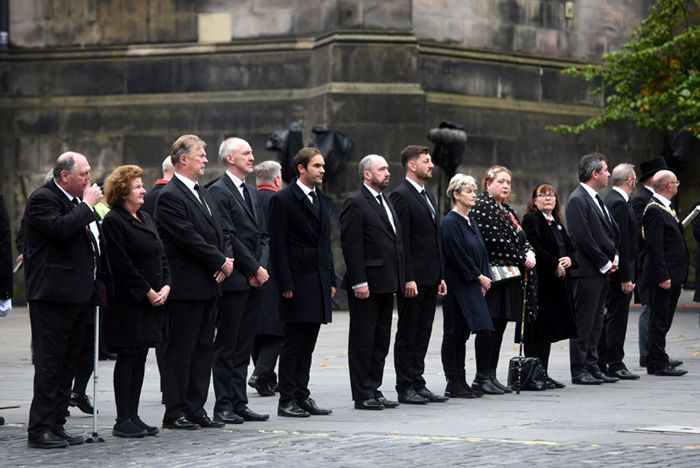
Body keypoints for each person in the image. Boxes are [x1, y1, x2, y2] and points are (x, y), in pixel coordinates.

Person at [24, 151, 104, 448]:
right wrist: (87, 205)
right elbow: (60, 229)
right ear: (64, 176)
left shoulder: (74, 202)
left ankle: (57, 423)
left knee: (68, 363)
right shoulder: (43, 199)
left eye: (88, 172)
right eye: (83, 173)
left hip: (77, 294)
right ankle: (40, 428)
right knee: (50, 363)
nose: (89, 177)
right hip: (52, 296)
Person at [154, 134, 233, 430]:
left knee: (203, 351)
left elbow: (222, 231)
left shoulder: (204, 192)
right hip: (186, 287)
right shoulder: (170, 196)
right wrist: (220, 261)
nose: (205, 159)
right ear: (183, 159)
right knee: (180, 351)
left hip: (210, 284)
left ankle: (196, 407)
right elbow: (189, 238)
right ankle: (175, 410)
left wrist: (228, 259)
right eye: (200, 154)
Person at [101, 165, 171, 437]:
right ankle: (122, 419)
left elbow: (161, 255)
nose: (143, 190)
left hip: (151, 300)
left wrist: (166, 285)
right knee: (128, 357)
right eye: (138, 186)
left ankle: (134, 415)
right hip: (129, 304)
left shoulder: (145, 217)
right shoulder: (115, 221)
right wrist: (147, 291)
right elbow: (121, 264)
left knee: (140, 356)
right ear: (123, 192)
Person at [269, 147, 336, 418]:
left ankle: (301, 394)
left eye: (323, 166)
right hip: (296, 281)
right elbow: (278, 246)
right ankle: (287, 399)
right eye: (317, 166)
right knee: (293, 344)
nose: (322, 170)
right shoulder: (283, 200)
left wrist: (331, 278)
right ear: (301, 168)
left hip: (317, 280)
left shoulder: (322, 199)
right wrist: (285, 283)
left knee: (308, 344)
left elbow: (325, 245)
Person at [209, 137, 270, 424]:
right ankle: (223, 404)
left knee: (244, 345)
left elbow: (262, 235)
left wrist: (261, 268)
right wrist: (253, 268)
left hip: (254, 279)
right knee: (227, 345)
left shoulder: (251, 190)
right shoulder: (219, 192)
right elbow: (229, 235)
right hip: (235, 281)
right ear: (230, 158)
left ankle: (239, 401)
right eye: (246, 153)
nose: (251, 157)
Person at [341, 155, 404, 410]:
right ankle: (361, 393)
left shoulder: (385, 200)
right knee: (363, 339)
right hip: (367, 283)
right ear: (367, 174)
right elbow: (351, 244)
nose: (388, 173)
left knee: (380, 340)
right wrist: (358, 281)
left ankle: (374, 387)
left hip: (387, 281)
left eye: (388, 168)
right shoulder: (355, 202)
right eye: (382, 169)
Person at [389, 145, 448, 404]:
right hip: (414, 279)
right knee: (408, 331)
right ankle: (405, 385)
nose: (431, 165)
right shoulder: (401, 196)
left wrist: (440, 275)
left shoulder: (427, 195)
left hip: (431, 277)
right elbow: (402, 242)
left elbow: (432, 239)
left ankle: (417, 380)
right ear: (411, 165)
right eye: (426, 161)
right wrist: (407, 277)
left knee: (423, 331)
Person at [470, 165, 536, 395]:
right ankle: (481, 376)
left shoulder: (506, 209)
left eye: (508, 182)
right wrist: (521, 256)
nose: (506, 185)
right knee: (488, 327)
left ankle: (491, 375)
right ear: (488, 184)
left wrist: (529, 252)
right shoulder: (482, 206)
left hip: (509, 276)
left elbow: (521, 237)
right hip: (493, 277)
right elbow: (495, 241)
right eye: (500, 181)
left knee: (499, 327)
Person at [565, 153, 620, 385]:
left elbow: (608, 233)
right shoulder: (578, 199)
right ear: (595, 173)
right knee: (584, 322)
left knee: (597, 321)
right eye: (606, 170)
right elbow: (583, 238)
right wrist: (605, 262)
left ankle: (592, 363)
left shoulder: (596, 198)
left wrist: (614, 255)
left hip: (600, 270)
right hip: (587, 271)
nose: (609, 174)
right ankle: (579, 369)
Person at [440, 174, 492, 398]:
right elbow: (457, 255)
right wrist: (478, 276)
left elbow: (481, 251)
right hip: (458, 285)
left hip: (472, 284)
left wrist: (485, 275)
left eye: (474, 190)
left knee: (465, 333)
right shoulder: (450, 222)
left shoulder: (471, 221)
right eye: (468, 191)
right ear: (456, 195)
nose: (474, 195)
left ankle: (461, 380)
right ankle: (454, 381)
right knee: (454, 333)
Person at [521, 184, 577, 388]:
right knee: (537, 331)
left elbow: (570, 248)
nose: (547, 198)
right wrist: (554, 264)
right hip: (540, 284)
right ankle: (532, 374)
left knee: (548, 333)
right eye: (542, 195)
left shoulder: (557, 223)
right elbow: (533, 247)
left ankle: (542, 373)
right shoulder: (532, 220)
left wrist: (569, 260)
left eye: (551, 195)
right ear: (534, 201)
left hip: (556, 287)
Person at [642, 170, 688, 376]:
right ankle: (658, 362)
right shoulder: (654, 209)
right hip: (664, 276)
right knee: (659, 320)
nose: (678, 186)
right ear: (669, 186)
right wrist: (663, 275)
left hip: (674, 274)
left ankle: (657, 358)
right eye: (676, 183)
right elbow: (654, 247)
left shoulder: (665, 208)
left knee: (664, 319)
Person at [598, 164, 640, 380]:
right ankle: (614, 361)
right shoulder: (617, 203)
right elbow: (621, 242)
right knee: (616, 318)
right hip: (619, 273)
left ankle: (607, 359)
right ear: (630, 181)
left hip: (619, 269)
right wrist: (626, 276)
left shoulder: (616, 200)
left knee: (613, 317)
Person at [249, 160, 285, 397]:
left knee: (257, 327)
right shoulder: (278, 201)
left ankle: (265, 377)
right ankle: (262, 373)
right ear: (277, 180)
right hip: (274, 269)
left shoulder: (250, 198)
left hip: (251, 268)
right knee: (277, 328)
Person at [630, 157, 667, 368]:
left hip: (654, 260)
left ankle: (656, 351)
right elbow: (640, 231)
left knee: (656, 308)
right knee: (649, 308)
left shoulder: (652, 198)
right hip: (646, 261)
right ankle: (647, 353)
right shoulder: (641, 199)